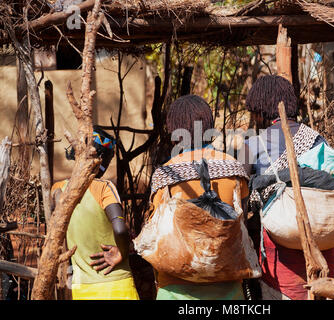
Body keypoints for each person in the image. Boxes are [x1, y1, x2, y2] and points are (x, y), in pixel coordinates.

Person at [243, 75, 334, 300]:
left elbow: (240, 201)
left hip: (279, 258)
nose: (254, 119)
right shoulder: (318, 140)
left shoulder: (252, 145)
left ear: (262, 110)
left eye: (254, 113)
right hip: (325, 249)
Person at [148, 94, 251, 300]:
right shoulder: (234, 168)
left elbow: (155, 229)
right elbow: (243, 219)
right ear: (209, 126)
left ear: (174, 131)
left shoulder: (166, 175)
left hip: (175, 286)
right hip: (228, 282)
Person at [51, 126, 139, 300]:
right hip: (117, 285)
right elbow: (120, 230)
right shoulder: (104, 188)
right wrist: (121, 252)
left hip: (81, 288)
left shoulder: (59, 190)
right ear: (102, 160)